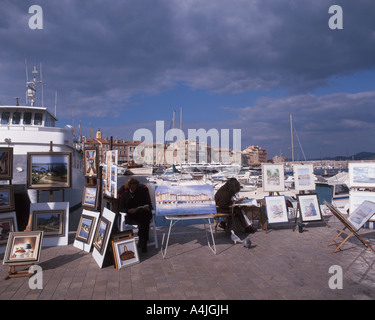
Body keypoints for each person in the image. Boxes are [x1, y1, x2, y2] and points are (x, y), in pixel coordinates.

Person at [118, 178, 153, 252]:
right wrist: (128, 211)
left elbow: (149, 204)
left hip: (141, 213)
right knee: (144, 222)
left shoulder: (141, 193)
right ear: (128, 186)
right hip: (131, 216)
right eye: (131, 186)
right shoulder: (124, 195)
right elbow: (121, 208)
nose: (133, 187)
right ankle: (143, 241)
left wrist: (147, 207)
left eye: (135, 185)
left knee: (144, 218)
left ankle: (143, 241)